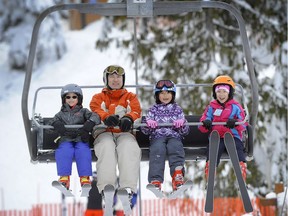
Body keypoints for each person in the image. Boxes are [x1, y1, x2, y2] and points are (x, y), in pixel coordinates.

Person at [89, 65, 142, 206]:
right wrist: (105, 117)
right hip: (104, 132)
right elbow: (95, 110)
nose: (115, 80)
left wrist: (129, 118)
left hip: (124, 133)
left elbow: (136, 111)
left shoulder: (130, 97)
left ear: (123, 80)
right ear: (106, 79)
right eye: (111, 77)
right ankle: (107, 188)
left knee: (129, 147)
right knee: (106, 147)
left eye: (118, 77)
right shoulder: (98, 97)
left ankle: (127, 188)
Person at [141, 80, 190, 191]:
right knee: (157, 150)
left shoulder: (177, 110)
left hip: (174, 136)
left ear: (173, 95)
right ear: (157, 95)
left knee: (176, 147)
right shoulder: (153, 110)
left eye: (168, 93)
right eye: (162, 93)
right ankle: (155, 180)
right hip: (157, 136)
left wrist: (181, 125)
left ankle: (177, 175)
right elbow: (144, 130)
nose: (165, 96)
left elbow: (186, 131)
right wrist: (148, 124)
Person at [50, 83, 101, 190]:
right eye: (68, 97)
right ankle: (64, 178)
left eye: (74, 97)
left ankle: (84, 178)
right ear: (64, 99)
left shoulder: (83, 111)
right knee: (63, 151)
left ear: (79, 99)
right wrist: (57, 124)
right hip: (66, 138)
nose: (71, 99)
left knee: (83, 152)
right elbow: (52, 121)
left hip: (80, 138)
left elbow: (96, 116)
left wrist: (89, 124)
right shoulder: (61, 114)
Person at [198, 75, 247, 182]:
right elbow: (202, 122)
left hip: (232, 135)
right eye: (218, 91)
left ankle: (241, 167)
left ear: (230, 92)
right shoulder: (211, 107)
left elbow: (243, 123)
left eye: (224, 91)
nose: (221, 94)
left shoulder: (236, 106)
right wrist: (205, 123)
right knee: (213, 149)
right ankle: (210, 169)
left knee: (237, 147)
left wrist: (235, 123)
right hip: (216, 137)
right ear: (215, 93)